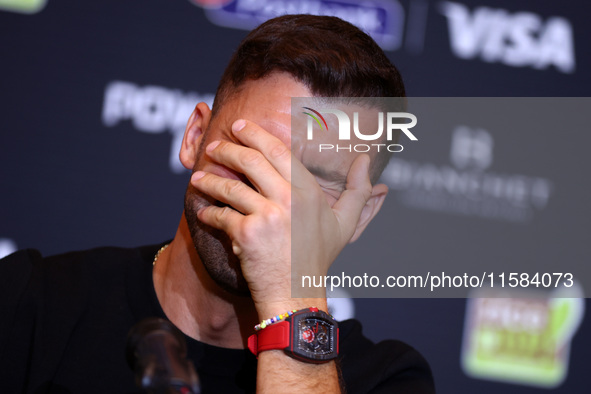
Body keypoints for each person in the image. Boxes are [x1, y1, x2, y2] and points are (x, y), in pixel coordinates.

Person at [0, 14, 434, 393]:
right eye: (251, 152)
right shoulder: (27, 304)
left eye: (313, 180)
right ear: (194, 138)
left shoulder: (386, 379)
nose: (271, 197)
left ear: (360, 215)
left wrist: (291, 299)